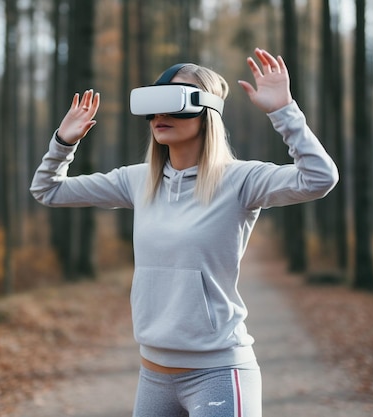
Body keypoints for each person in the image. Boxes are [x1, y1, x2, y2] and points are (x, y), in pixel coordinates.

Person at [30, 48, 338, 417]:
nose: (160, 115)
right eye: (154, 104)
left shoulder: (240, 180)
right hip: (154, 377)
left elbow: (319, 178)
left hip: (220, 373)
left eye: (174, 103)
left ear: (207, 112)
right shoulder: (136, 180)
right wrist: (64, 142)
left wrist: (283, 111)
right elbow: (47, 190)